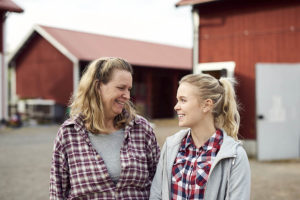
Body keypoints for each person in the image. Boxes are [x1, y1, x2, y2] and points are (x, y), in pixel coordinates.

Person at [50, 57, 160, 199]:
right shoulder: (68, 134)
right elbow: (57, 193)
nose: (127, 96)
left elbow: (159, 183)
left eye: (129, 89)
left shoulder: (141, 129)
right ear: (97, 87)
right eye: (121, 88)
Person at [150, 73, 251, 200]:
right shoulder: (171, 146)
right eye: (177, 100)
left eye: (183, 100)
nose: (176, 107)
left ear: (206, 105)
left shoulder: (235, 157)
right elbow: (156, 195)